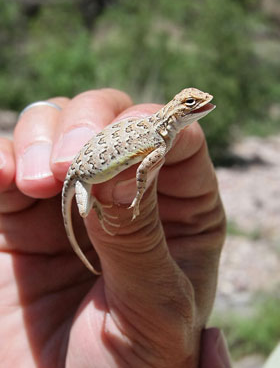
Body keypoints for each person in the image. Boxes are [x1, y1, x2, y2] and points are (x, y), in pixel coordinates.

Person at [0, 88, 231, 367]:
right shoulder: (158, 140)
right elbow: (142, 171)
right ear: (177, 112)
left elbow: (142, 164)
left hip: (86, 173)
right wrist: (136, 195)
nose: (203, 103)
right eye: (192, 102)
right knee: (84, 208)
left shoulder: (162, 136)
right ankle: (95, 206)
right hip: (82, 177)